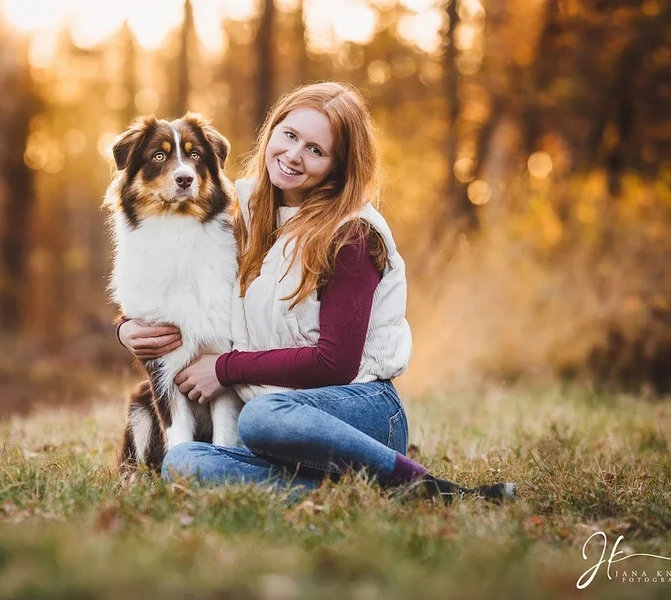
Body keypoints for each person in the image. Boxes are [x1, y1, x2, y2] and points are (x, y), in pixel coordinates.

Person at [117, 82, 515, 504]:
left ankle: (431, 488)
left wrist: (226, 368)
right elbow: (181, 284)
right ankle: (356, 493)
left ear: (338, 166)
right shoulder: (242, 211)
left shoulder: (352, 234)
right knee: (186, 464)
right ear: (272, 130)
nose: (292, 155)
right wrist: (129, 328)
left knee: (262, 418)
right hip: (274, 409)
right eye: (289, 136)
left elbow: (335, 363)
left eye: (315, 150)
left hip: (358, 408)